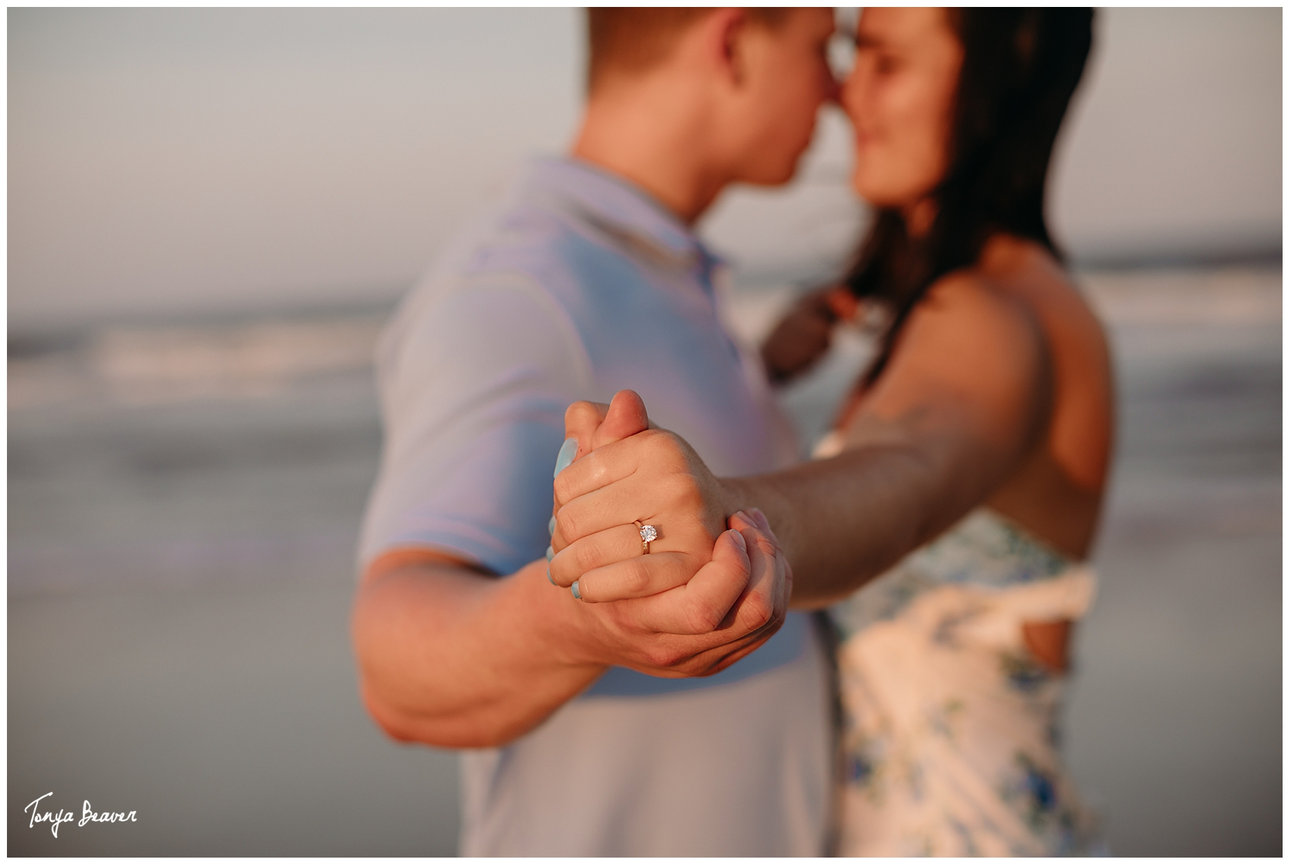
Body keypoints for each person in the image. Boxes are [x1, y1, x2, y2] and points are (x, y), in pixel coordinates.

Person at [550, 7, 1110, 856]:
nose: (847, 94)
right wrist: (757, 375)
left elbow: (904, 479)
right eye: (852, 56)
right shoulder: (994, 297)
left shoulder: (989, 314)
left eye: (885, 61)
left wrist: (721, 515)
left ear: (995, 85)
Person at [351, 8, 841, 857]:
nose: (836, 88)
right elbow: (395, 669)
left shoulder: (646, 270)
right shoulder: (517, 289)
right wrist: (590, 619)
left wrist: (758, 374)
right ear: (731, 44)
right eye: (820, 47)